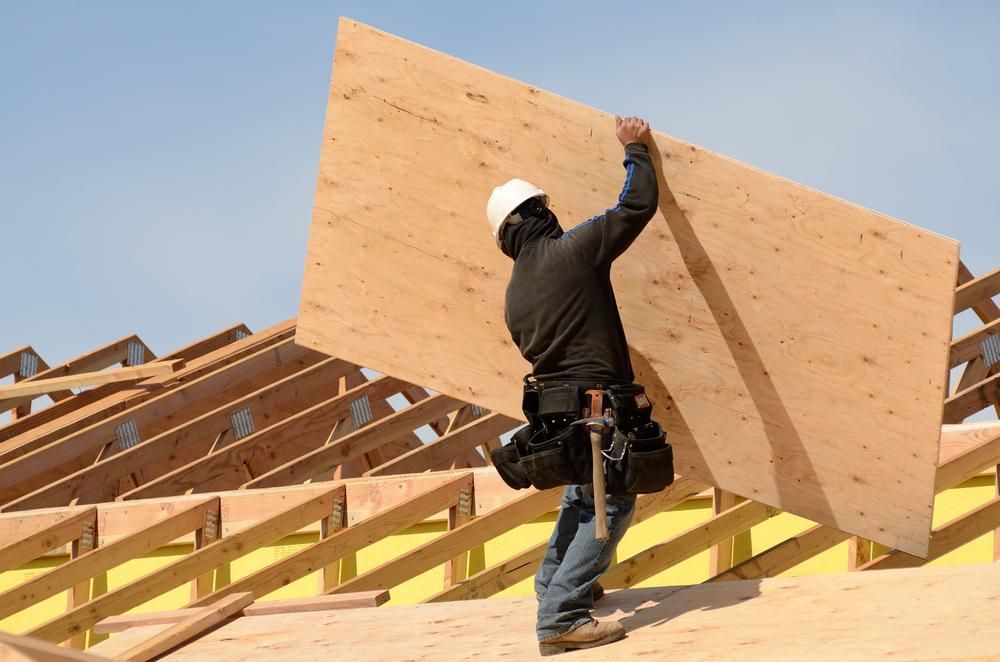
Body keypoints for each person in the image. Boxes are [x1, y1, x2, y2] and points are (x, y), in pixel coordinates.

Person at [486, 116, 660, 656]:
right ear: (535, 215)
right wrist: (635, 148)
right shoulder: (571, 253)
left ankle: (553, 585)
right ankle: (560, 615)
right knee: (614, 502)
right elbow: (635, 208)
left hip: (560, 414)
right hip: (597, 405)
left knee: (586, 492)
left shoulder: (515, 294)